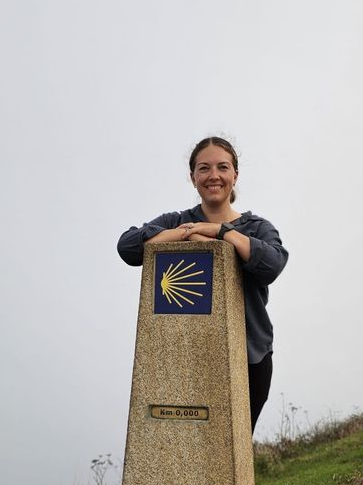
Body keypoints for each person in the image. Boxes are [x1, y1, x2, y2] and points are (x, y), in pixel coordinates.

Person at [117, 136, 288, 432]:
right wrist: (187, 233)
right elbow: (128, 246)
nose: (214, 176)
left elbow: (272, 264)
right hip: (186, 357)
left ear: (235, 175)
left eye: (222, 167)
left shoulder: (258, 228)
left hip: (249, 357)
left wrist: (221, 232)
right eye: (204, 168)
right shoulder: (177, 220)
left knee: (233, 454)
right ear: (192, 176)